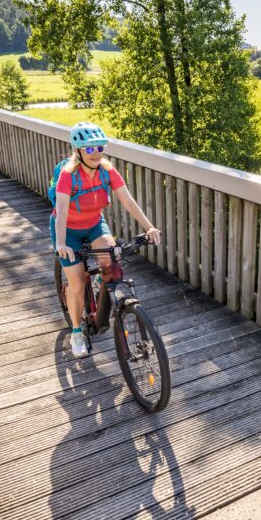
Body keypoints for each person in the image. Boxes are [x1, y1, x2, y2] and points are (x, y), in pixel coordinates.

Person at [53, 122, 161, 358]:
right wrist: (61, 243)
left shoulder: (108, 171)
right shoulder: (68, 175)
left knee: (112, 261)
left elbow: (128, 201)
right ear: (78, 151)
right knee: (78, 283)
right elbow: (61, 211)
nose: (97, 153)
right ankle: (77, 333)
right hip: (68, 231)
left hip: (93, 225)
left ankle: (104, 304)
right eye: (90, 149)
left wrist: (149, 227)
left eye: (100, 147)